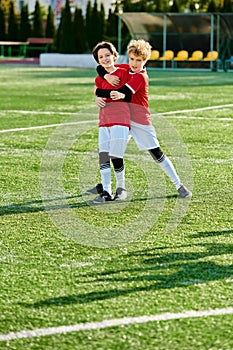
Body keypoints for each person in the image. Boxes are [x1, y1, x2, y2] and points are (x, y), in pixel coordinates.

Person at [87, 39, 192, 199]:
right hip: (121, 119)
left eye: (139, 60)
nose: (135, 63)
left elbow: (123, 92)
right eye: (132, 59)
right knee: (112, 153)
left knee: (156, 153)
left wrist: (100, 92)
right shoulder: (125, 68)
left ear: (145, 60)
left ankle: (179, 185)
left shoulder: (141, 76)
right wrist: (106, 76)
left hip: (139, 121)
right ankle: (108, 186)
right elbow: (101, 67)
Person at [91, 41, 131, 204]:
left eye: (108, 55)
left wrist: (101, 92)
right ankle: (106, 191)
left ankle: (121, 189)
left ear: (115, 55)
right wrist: (98, 98)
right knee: (103, 155)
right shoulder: (99, 78)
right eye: (101, 57)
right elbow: (98, 88)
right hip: (104, 120)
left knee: (116, 155)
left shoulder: (125, 71)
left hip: (121, 119)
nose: (105, 59)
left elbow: (128, 92)